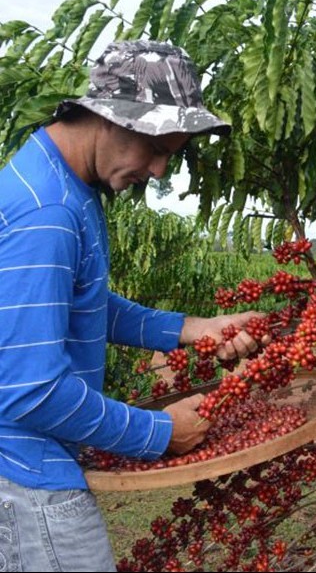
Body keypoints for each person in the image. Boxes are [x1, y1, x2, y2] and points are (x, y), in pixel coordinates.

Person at [0, 40, 265, 571]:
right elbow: (28, 392)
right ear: (110, 119)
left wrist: (194, 328)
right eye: (157, 148)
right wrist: (159, 434)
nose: (161, 170)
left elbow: (83, 302)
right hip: (31, 479)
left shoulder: (61, 182)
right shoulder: (47, 214)